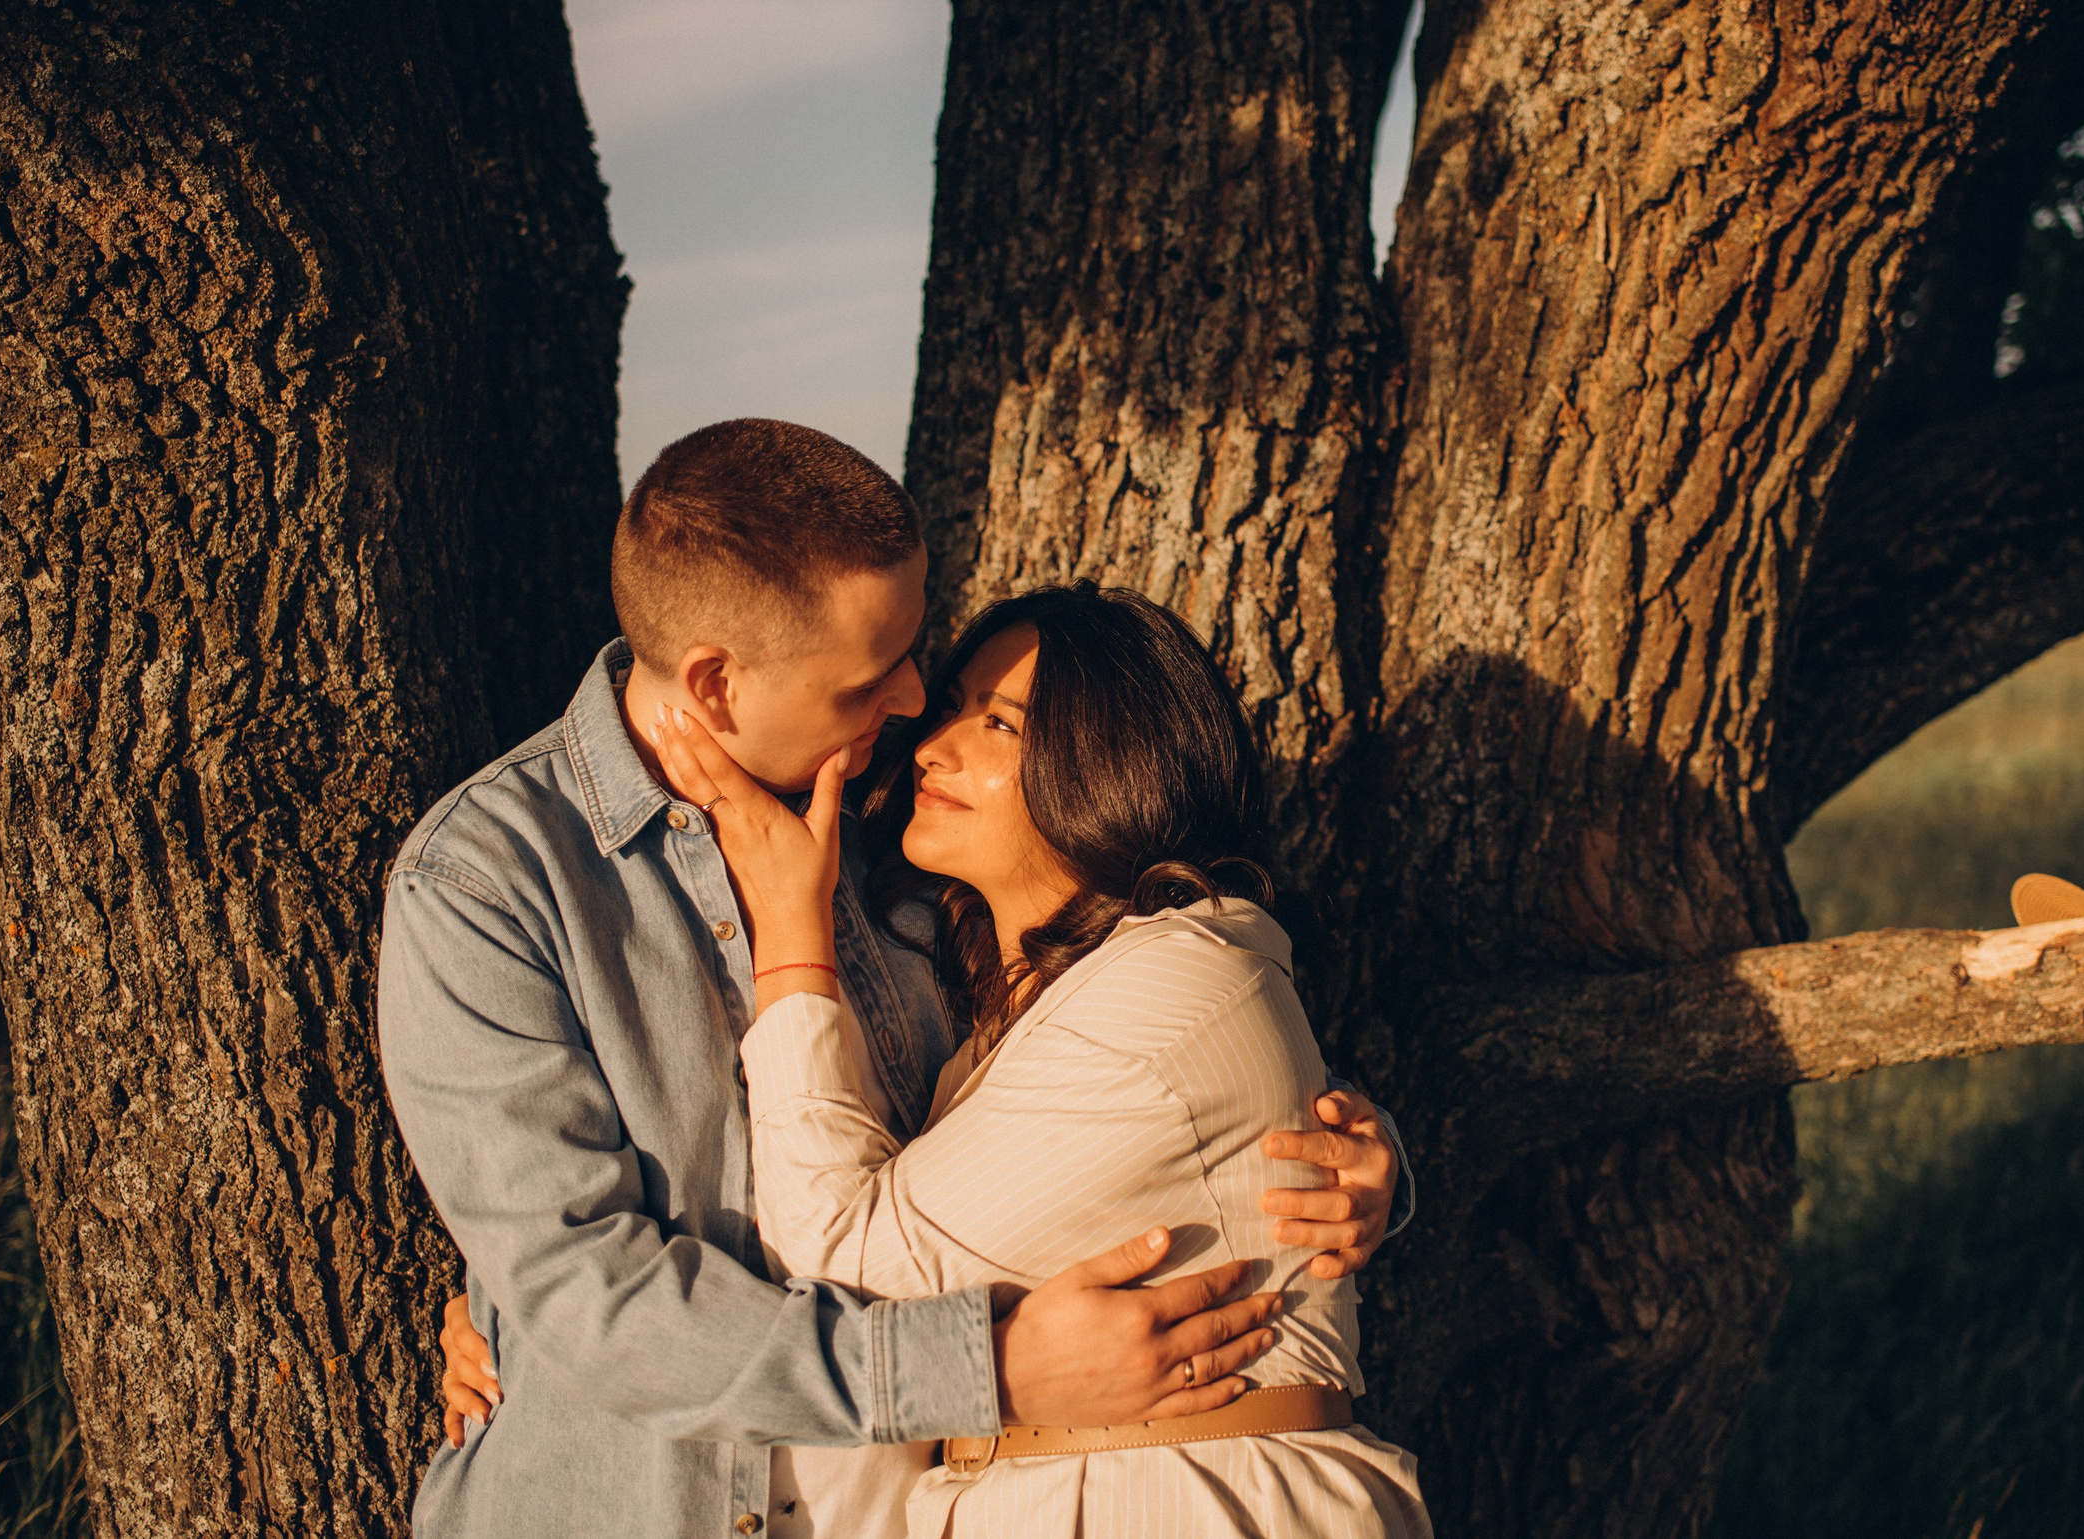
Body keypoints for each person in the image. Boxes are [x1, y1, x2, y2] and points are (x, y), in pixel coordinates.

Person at [380, 421, 1405, 1538]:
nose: (915, 704)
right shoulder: (489, 884)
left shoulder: (905, 846)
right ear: (719, 683)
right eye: (874, 676)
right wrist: (990, 1368)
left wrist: (1347, 1164)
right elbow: (589, 1296)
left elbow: (1117, 1057)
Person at [645, 581, 1432, 1537]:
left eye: (1000, 725)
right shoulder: (1011, 1022)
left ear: (1112, 764)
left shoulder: (1171, 990)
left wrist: (790, 931)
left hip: (1190, 1502)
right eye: (949, 710)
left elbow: (843, 1262)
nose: (934, 745)